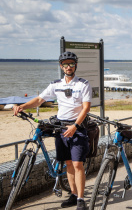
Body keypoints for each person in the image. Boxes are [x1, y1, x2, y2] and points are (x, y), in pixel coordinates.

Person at [13, 51, 92, 210]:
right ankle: (74, 194)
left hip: (77, 127)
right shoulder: (56, 84)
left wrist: (75, 126)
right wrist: (22, 106)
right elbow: (40, 99)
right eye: (65, 64)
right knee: (68, 163)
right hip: (61, 128)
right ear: (61, 66)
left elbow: (86, 108)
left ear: (75, 65)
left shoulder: (83, 84)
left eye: (71, 64)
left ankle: (81, 200)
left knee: (77, 164)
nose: (68, 67)